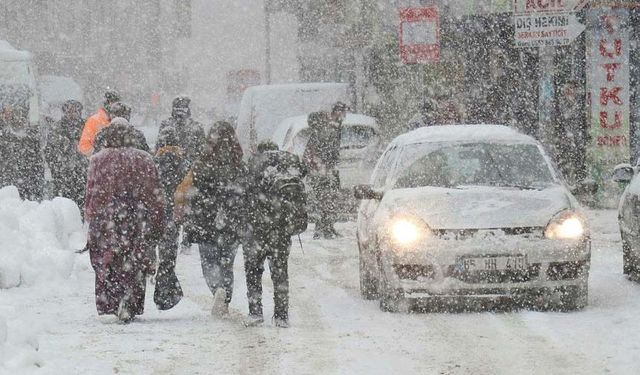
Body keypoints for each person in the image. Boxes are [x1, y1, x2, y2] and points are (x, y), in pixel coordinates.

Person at [84, 119, 166, 323]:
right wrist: (157, 219)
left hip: (107, 219)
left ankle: (110, 303)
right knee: (134, 261)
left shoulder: (98, 160)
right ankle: (130, 300)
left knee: (108, 262)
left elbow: (92, 194)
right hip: (137, 219)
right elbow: (153, 193)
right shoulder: (144, 159)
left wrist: (91, 218)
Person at [244, 141, 308, 328]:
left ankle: (255, 312)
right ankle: (281, 315)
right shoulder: (289, 164)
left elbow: (244, 192)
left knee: (253, 270)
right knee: (280, 271)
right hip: (281, 228)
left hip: (257, 227)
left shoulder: (255, 164)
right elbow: (304, 173)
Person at [188, 122, 246, 316]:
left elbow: (194, 187)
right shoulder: (238, 163)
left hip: (206, 218)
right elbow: (245, 190)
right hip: (232, 219)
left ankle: (216, 288)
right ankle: (226, 297)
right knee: (227, 262)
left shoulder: (202, 163)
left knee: (209, 261)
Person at [153, 126, 188, 310]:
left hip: (156, 212)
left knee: (159, 250)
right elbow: (188, 190)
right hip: (174, 213)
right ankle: (165, 291)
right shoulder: (183, 163)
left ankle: (164, 288)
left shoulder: (154, 162)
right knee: (168, 254)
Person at [303, 105, 343, 239]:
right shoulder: (323, 134)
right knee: (327, 200)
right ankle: (325, 228)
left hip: (320, 172)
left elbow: (309, 156)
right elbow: (329, 153)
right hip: (324, 172)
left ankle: (324, 227)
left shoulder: (316, 135)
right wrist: (327, 167)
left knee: (322, 200)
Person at [0, 85, 44, 200]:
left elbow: (37, 163)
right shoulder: (6, 135)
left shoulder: (30, 136)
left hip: (24, 181)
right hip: (11, 181)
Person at [44, 100, 88, 208]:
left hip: (82, 174)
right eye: (69, 111)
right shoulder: (57, 128)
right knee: (63, 206)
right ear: (65, 112)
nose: (72, 113)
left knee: (83, 204)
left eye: (75, 111)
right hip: (62, 175)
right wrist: (57, 168)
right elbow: (49, 151)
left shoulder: (87, 128)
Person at [156, 96, 205, 166]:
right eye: (177, 108)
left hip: (186, 166)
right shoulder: (166, 125)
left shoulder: (196, 127)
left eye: (183, 108)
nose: (179, 112)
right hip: (170, 165)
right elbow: (160, 148)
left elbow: (201, 150)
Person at [78, 90, 120, 156]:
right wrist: (99, 155)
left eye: (116, 103)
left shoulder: (121, 121)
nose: (114, 106)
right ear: (106, 104)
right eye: (111, 102)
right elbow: (84, 145)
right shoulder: (94, 120)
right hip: (101, 163)